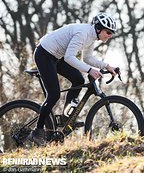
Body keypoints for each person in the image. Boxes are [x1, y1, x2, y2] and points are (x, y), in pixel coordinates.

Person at [28, 13, 118, 146]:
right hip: (44, 54)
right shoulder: (83, 33)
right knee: (53, 95)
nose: (110, 36)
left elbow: (87, 58)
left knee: (78, 80)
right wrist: (90, 70)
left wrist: (107, 66)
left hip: (57, 56)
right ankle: (37, 131)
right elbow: (70, 57)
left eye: (112, 33)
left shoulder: (91, 37)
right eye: (108, 32)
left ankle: (66, 118)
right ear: (98, 28)